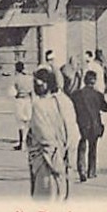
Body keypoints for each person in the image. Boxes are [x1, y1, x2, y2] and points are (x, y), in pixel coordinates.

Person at [26, 67, 79, 198]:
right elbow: (74, 133)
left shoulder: (39, 106)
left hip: (47, 161)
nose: (36, 87)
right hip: (64, 157)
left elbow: (44, 136)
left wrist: (56, 161)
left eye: (38, 84)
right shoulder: (65, 101)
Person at [71, 69, 107, 182]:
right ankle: (91, 171)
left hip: (81, 124)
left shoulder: (76, 94)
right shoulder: (98, 95)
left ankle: (81, 169)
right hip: (95, 124)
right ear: (94, 81)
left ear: (84, 80)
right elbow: (106, 108)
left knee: (82, 146)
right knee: (93, 148)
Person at [11, 61, 33, 150]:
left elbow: (12, 91)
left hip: (20, 100)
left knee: (20, 123)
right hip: (28, 100)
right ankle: (29, 142)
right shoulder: (29, 78)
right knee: (29, 121)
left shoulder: (16, 78)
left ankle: (21, 143)